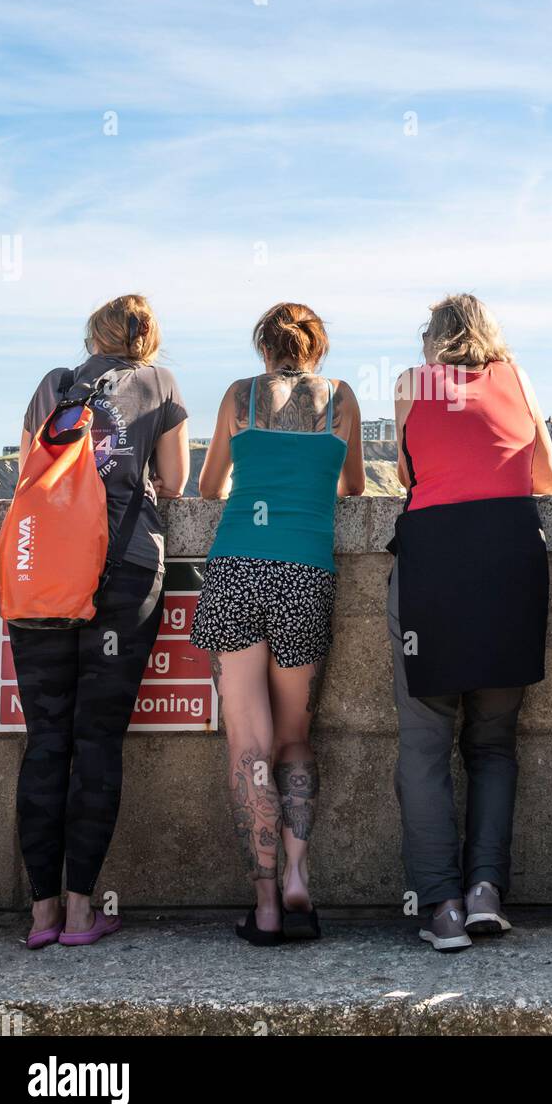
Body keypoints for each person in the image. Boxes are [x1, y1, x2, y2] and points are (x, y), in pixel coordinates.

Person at [12, 294, 189, 948]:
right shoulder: (160, 383)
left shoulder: (55, 386)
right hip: (125, 569)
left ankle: (40, 915)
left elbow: (33, 476)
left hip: (43, 575)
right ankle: (84, 910)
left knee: (46, 738)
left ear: (94, 335)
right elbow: (172, 481)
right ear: (147, 338)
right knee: (96, 739)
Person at [389, 294, 552, 952]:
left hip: (433, 559)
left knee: (423, 744)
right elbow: (543, 472)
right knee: (492, 743)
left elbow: (406, 472)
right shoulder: (516, 378)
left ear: (433, 339)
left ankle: (440, 906)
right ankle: (486, 888)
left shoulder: (410, 383)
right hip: (508, 560)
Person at [191, 302, 365, 946]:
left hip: (237, 566)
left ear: (264, 348)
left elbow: (208, 489)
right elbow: (351, 485)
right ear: (317, 347)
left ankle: (264, 907)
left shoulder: (239, 397)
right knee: (295, 738)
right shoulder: (340, 397)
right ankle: (298, 875)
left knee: (249, 749)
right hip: (304, 572)